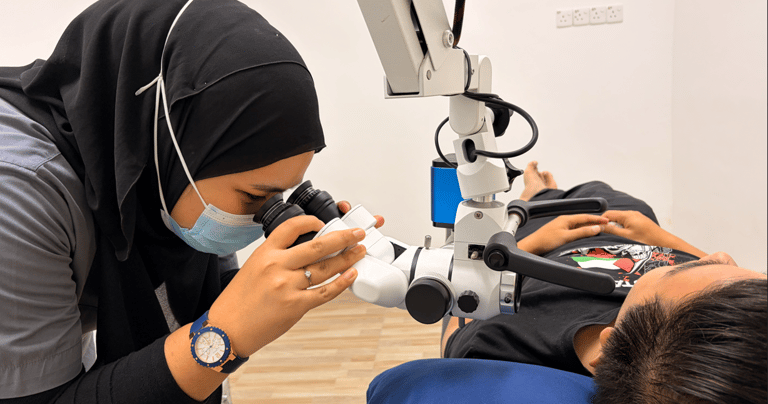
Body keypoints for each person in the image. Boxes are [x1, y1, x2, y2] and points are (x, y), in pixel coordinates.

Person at [0, 0, 378, 402]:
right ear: (172, 145)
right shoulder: (19, 192)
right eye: (254, 196)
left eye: (283, 195)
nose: (268, 216)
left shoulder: (147, 165)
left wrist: (288, 285)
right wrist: (224, 338)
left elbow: (205, 301)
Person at [441, 162, 767, 404]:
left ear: (610, 345)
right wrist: (661, 238)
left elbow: (459, 310)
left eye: (686, 269)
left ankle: (537, 195)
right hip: (633, 228)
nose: (721, 254)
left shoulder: (502, 338)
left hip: (546, 247)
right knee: (616, 200)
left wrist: (532, 244)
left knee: (533, 209)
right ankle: (546, 195)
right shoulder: (672, 325)